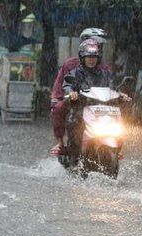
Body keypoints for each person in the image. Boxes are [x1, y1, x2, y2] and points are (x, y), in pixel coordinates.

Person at [63, 39, 128, 165]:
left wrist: (121, 95)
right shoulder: (75, 73)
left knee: (120, 127)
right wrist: (71, 92)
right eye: (88, 57)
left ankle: (116, 149)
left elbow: (114, 88)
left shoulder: (105, 74)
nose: (91, 60)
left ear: (98, 58)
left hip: (104, 110)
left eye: (94, 57)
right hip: (81, 109)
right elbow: (67, 85)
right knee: (73, 123)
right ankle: (74, 158)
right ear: (82, 57)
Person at [50, 28, 110, 156]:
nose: (98, 47)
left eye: (100, 45)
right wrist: (68, 94)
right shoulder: (71, 65)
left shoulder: (104, 68)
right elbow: (64, 85)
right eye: (96, 43)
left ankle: (113, 147)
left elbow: (111, 86)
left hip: (97, 105)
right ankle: (61, 143)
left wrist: (120, 94)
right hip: (74, 102)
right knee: (58, 108)